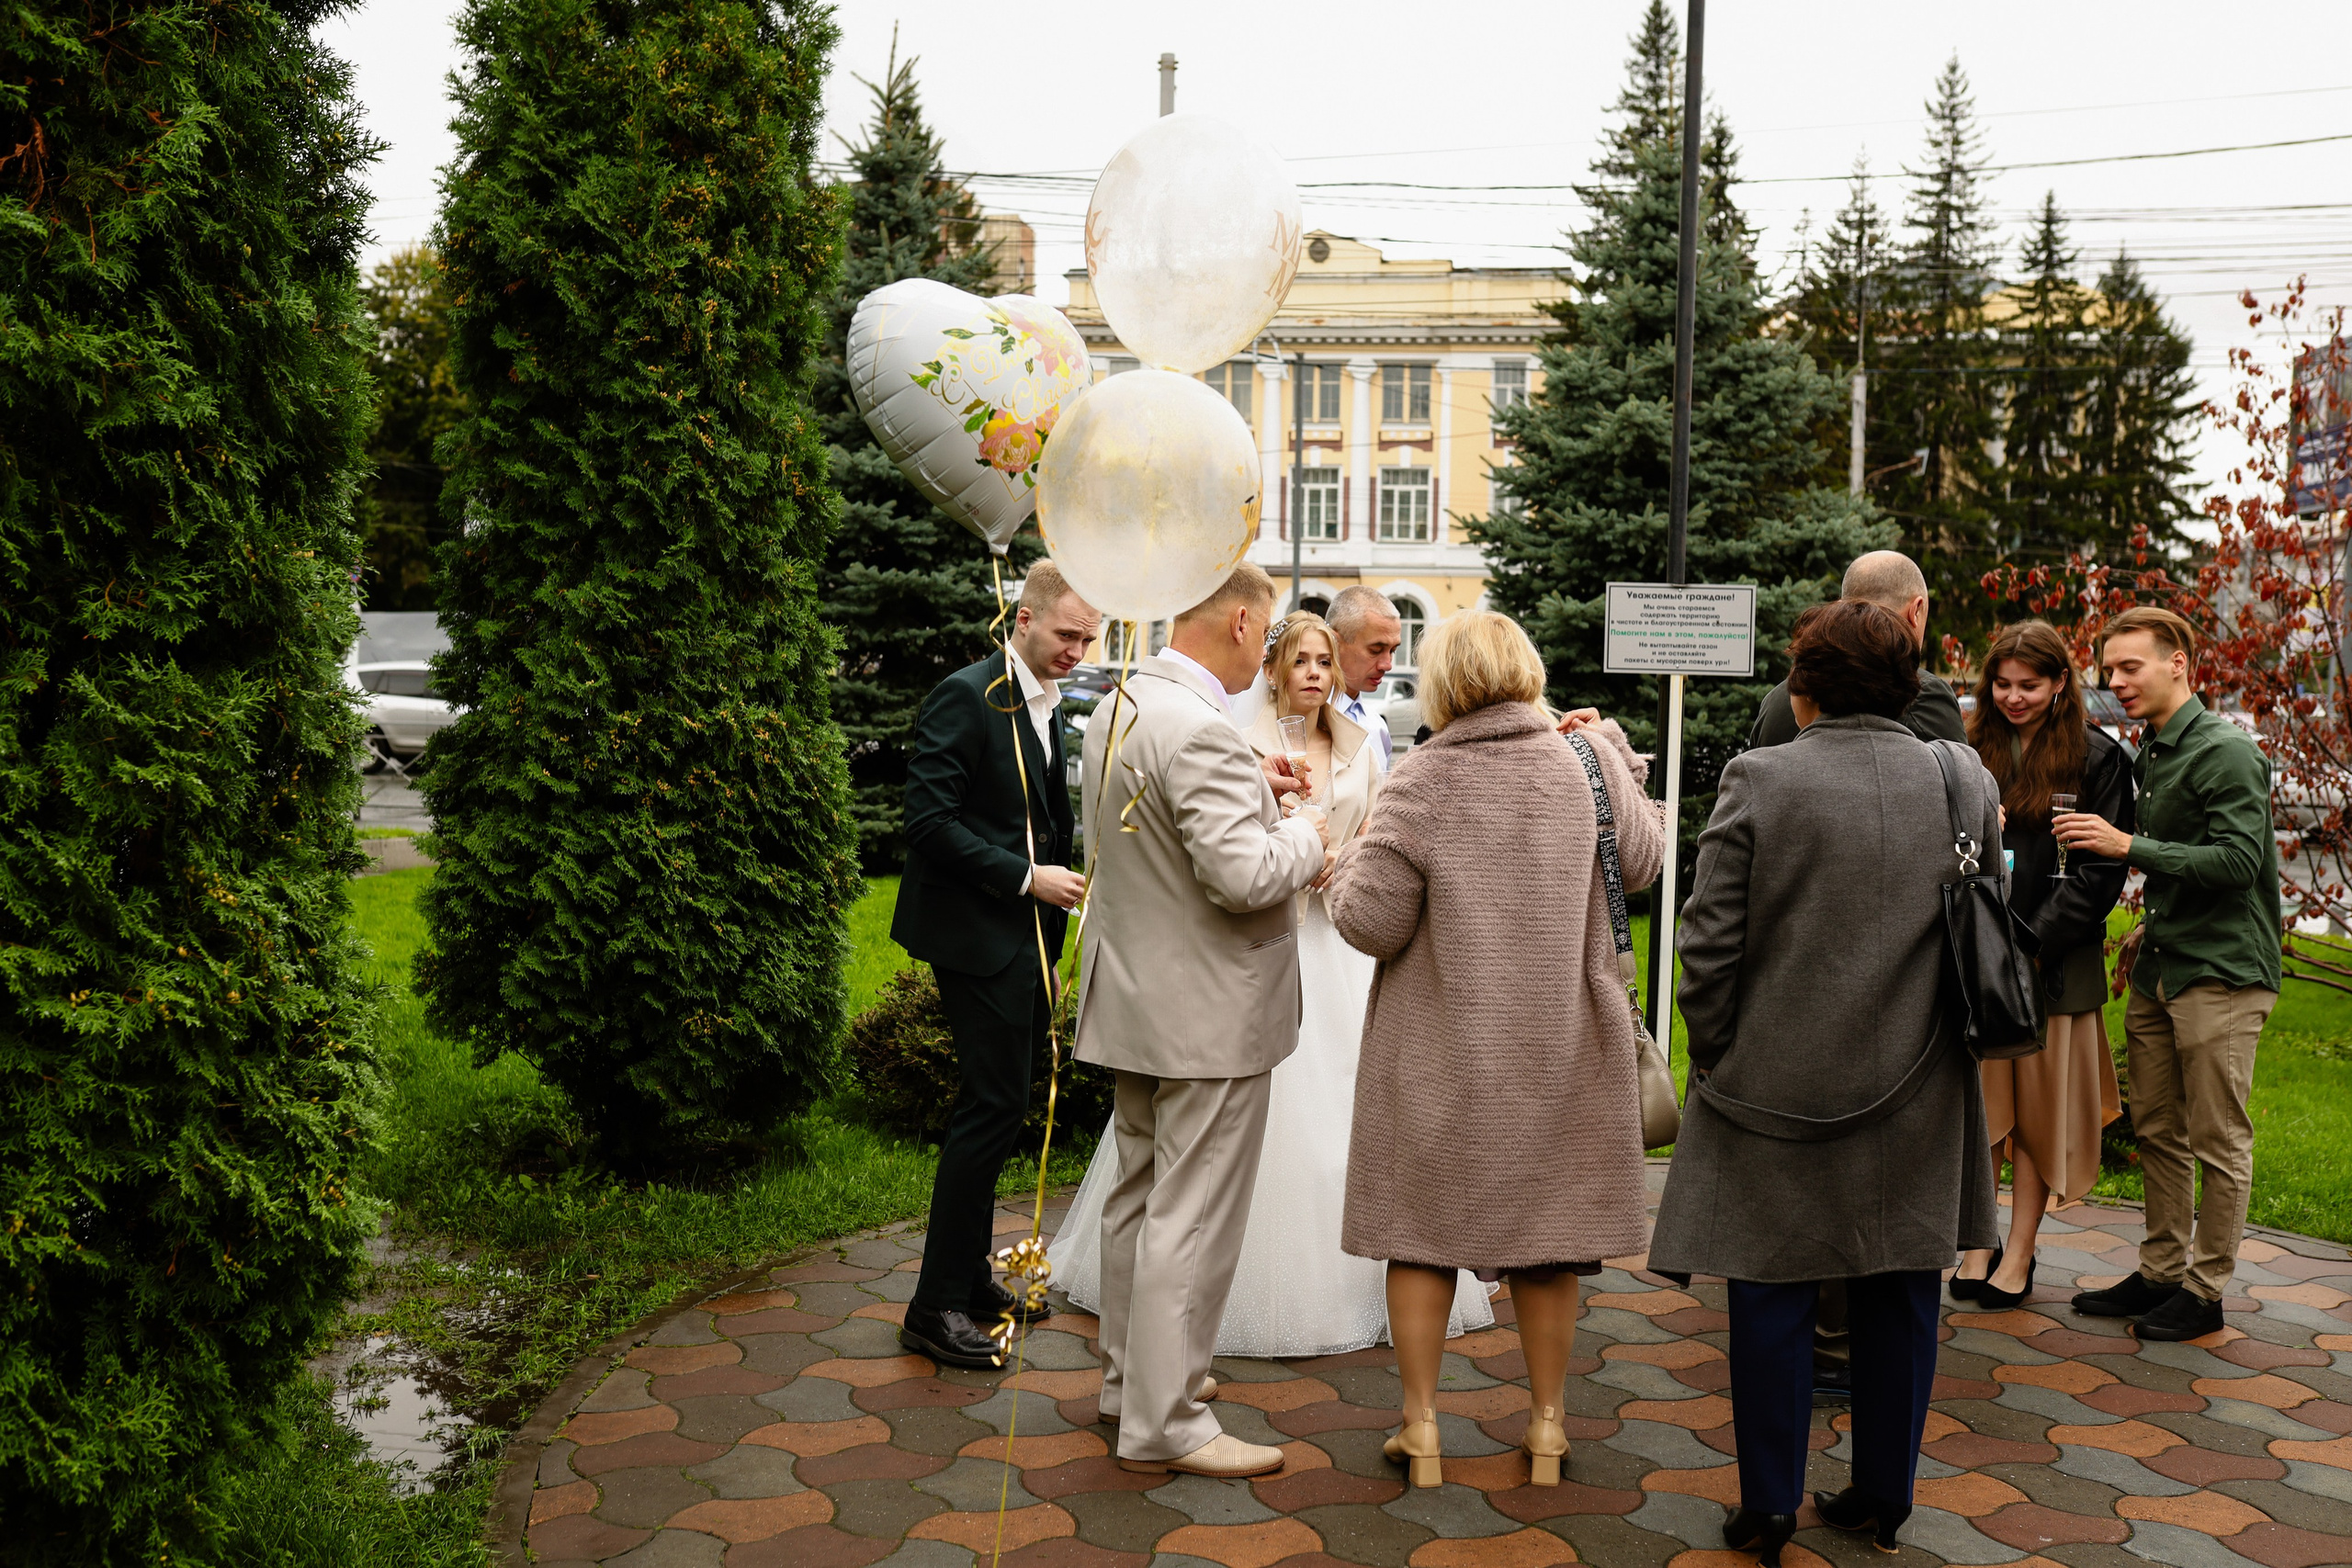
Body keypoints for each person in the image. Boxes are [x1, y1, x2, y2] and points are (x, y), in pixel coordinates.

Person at [1651, 600, 1999, 1564]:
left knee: (1769, 1291)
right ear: (1907, 682)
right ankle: (1883, 1497)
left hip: (1775, 1083)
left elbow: (1707, 943)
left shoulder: (1761, 776)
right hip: (1924, 1076)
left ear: (1804, 683)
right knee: (1901, 1290)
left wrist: (1714, 1050)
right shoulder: (1959, 776)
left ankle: (1767, 1506)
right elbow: (1985, 919)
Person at [1048, 613, 1493, 1353]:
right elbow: (1238, 866)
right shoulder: (1222, 731)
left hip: (1334, 944)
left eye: (1326, 660)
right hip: (1252, 952)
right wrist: (1302, 842)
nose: (1315, 672)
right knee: (1221, 1159)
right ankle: (1177, 1357)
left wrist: (1340, 863)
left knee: (1347, 1120)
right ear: (1272, 662)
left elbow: (1377, 835)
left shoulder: (1359, 742)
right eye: (1298, 659)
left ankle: (1153, 1364)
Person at [1324, 611, 1661, 1491]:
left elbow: (1372, 920)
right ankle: (1548, 1426)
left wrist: (1343, 858)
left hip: (1441, 1047)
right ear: (1528, 670)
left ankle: (1423, 1424)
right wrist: (1617, 753)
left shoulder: (1423, 776)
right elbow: (1646, 862)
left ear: (1444, 684)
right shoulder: (1581, 762)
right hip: (1564, 1045)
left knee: (1421, 1233)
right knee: (1552, 1242)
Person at [1074, 562, 1331, 1480]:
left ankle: (1126, 1382)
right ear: (1238, 622)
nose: (1261, 653)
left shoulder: (1121, 708)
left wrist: (1253, 784)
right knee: (1191, 1215)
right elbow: (1243, 878)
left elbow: (1152, 837)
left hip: (1136, 995)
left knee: (1137, 1199)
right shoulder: (1200, 733)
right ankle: (1167, 1421)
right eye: (1263, 638)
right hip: (1210, 1012)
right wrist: (1309, 831)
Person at [1742, 547, 1961, 1400]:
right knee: (1880, 1195)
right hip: (1896, 993)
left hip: (1789, 984)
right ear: (1915, 614)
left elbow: (1723, 910)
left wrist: (1722, 1039)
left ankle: (1813, 1345)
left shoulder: (1775, 708)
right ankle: (1850, 1355)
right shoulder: (1932, 709)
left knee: (1799, 1188)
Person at [892, 563, 1100, 1369]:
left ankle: (969, 1279)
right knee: (989, 1109)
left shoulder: (1043, 704)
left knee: (1004, 1105)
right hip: (975, 932)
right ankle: (933, 1305)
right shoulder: (967, 695)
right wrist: (1026, 877)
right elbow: (928, 820)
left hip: (1023, 934)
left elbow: (1039, 817)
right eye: (1066, 634)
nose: (1078, 651)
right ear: (1023, 619)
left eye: (1090, 638)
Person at [2056, 605, 2280, 1342]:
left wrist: (2127, 845)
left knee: (2218, 1137)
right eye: (2109, 670)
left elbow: (2240, 862)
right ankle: (2159, 1269)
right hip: (2161, 966)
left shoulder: (2226, 751)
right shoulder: (2151, 748)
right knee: (2157, 1128)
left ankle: (2206, 1287)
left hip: (2221, 972)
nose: (2114, 682)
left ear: (2178, 659)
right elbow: (2197, 857)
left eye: (2130, 666)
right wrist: (2151, 922)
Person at [1950, 620, 2133, 1309]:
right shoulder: (1970, 749)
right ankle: (1978, 1239)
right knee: (1985, 1107)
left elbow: (2099, 876)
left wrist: (2029, 943)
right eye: (2002, 684)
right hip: (1980, 955)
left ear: (2061, 683)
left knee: (2035, 1111)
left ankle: (2019, 1247)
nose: (2014, 697)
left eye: (2030, 684)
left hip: (2051, 962)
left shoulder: (2098, 757)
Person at [1748, 550, 1966, 749]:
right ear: (1916, 611)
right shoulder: (1924, 693)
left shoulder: (1776, 701)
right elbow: (1959, 783)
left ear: (1842, 606)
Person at [1235, 585, 1402, 769]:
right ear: (1270, 673)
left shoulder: (1372, 735)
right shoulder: (1243, 748)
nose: (1388, 664)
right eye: (1299, 661)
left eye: (1324, 662)